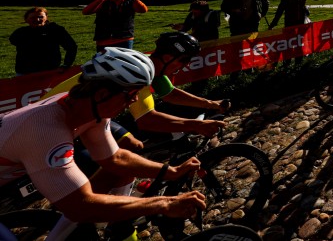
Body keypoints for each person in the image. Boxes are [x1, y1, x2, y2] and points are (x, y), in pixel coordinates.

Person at [0, 51, 206, 234]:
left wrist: (171, 171)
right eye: (132, 94)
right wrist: (164, 203)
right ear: (102, 94)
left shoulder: (88, 109)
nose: (134, 101)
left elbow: (116, 158)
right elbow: (80, 206)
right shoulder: (45, 132)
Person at [45, 32, 227, 139]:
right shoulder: (138, 74)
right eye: (184, 60)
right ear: (167, 58)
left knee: (125, 148)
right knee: (126, 152)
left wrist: (211, 104)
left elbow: (171, 94)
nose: (186, 65)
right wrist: (195, 125)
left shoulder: (147, 65)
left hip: (69, 113)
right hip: (54, 120)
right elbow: (147, 120)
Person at [9, 7, 77, 75]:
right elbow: (13, 40)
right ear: (26, 19)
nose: (37, 19)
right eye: (33, 18)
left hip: (50, 71)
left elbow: (72, 47)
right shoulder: (20, 32)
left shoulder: (55, 30)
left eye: (40, 17)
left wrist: (66, 65)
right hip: (24, 72)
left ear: (46, 17)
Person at [82, 0, 148, 49]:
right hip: (104, 40)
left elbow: (143, 10)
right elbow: (86, 11)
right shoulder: (104, 1)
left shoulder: (130, 1)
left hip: (124, 39)